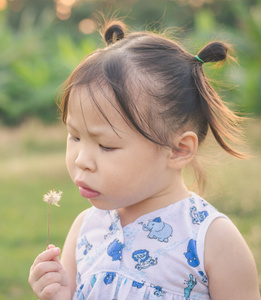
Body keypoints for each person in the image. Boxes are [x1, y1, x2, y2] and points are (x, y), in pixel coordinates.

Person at [28, 20, 260, 300]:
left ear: (178, 150)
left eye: (106, 145)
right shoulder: (86, 229)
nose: (81, 160)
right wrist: (60, 294)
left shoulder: (212, 240)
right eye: (75, 137)